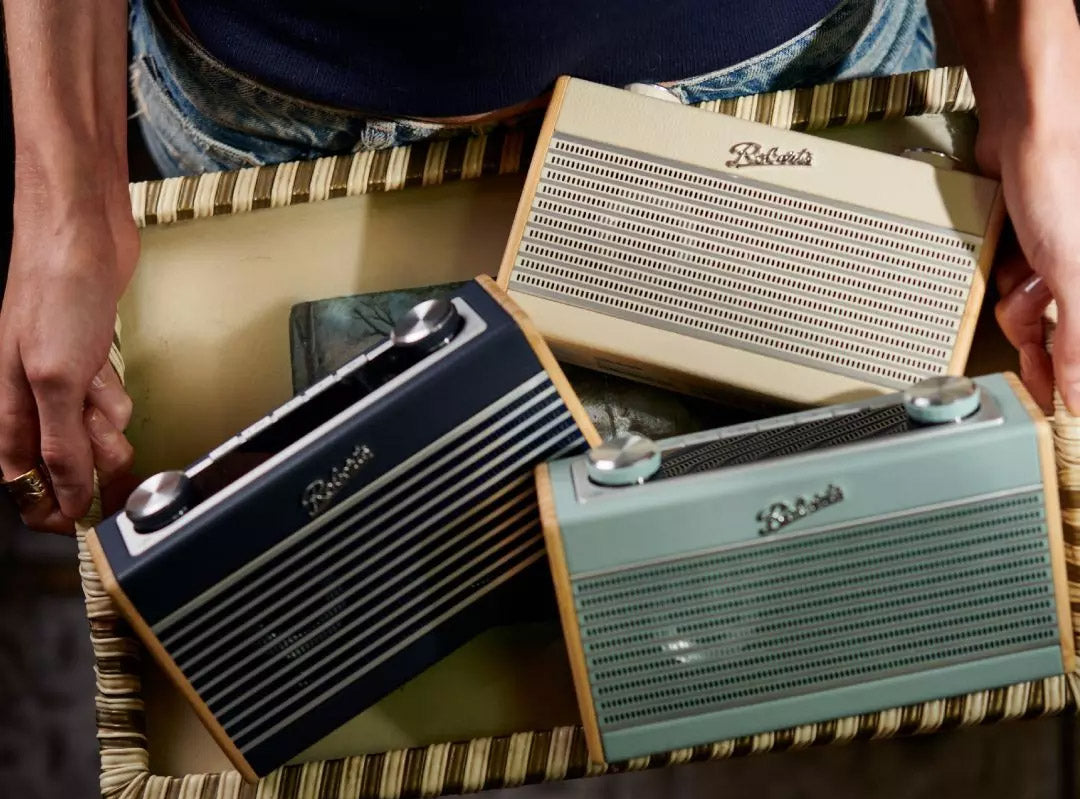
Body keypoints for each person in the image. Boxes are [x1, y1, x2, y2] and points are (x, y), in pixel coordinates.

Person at [1, 0, 1077, 533]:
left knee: (808, 584)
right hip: (301, 146)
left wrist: (1043, 116)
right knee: (370, 615)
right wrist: (65, 198)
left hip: (799, 89)